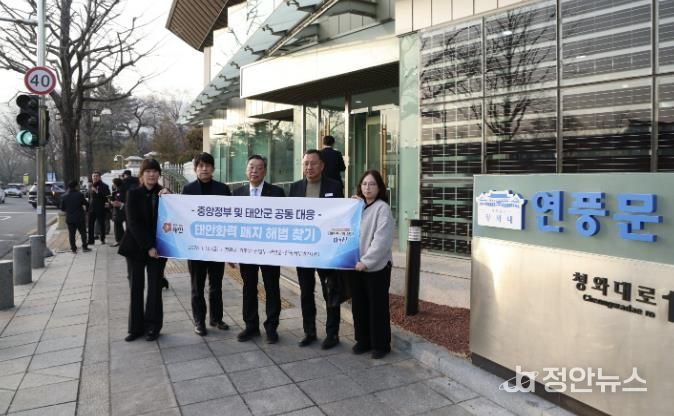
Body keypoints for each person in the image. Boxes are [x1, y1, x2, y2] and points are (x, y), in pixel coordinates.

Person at [289, 149, 344, 349]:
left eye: (313, 163)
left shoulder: (334, 186)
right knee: (306, 292)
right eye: (306, 163)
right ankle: (309, 332)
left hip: (326, 250)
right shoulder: (295, 188)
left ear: (322, 166)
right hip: (303, 250)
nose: (309, 167)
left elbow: (341, 215)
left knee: (330, 291)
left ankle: (332, 334)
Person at [233, 155, 285, 344]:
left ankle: (271, 327)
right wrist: (231, 252)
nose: (254, 171)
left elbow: (284, 221)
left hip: (270, 250)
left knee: (272, 288)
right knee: (248, 288)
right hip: (246, 250)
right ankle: (251, 326)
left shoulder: (277, 192)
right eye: (251, 167)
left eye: (259, 168)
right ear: (246, 170)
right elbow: (232, 224)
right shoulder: (237, 194)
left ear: (265, 171)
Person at [182, 152, 232, 336]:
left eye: (208, 166)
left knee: (216, 285)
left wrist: (230, 249)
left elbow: (230, 218)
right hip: (196, 248)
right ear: (195, 169)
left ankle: (216, 318)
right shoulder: (188, 190)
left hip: (217, 246)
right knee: (197, 287)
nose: (204, 169)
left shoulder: (223, 189)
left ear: (213, 168)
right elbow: (182, 216)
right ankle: (199, 321)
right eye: (201, 166)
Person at [118, 159, 168, 342]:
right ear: (141, 174)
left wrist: (170, 197)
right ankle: (135, 328)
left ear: (159, 174)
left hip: (159, 249)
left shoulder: (164, 194)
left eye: (155, 171)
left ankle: (153, 327)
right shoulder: (133, 193)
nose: (151, 174)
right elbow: (133, 223)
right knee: (136, 287)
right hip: (136, 247)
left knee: (155, 288)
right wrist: (148, 246)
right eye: (148, 171)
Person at [350, 170, 394, 359]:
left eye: (372, 184)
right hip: (355, 265)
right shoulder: (358, 207)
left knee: (377, 307)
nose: (367, 188)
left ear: (379, 187)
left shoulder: (382, 208)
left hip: (376, 267)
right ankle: (363, 340)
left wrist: (366, 262)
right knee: (359, 306)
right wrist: (351, 206)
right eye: (364, 184)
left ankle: (381, 345)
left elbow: (381, 241)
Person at [59, 180, 91, 254]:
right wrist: (85, 210)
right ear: (76, 186)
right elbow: (86, 204)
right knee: (83, 233)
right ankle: (84, 247)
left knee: (71, 234)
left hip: (70, 218)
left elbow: (62, 208)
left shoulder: (64, 196)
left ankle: (73, 249)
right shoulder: (80, 195)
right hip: (80, 217)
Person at [87, 171, 110, 246]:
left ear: (100, 177)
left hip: (100, 208)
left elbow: (107, 196)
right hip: (91, 208)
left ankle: (102, 239)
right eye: (93, 176)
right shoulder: (90, 186)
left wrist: (97, 191)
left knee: (101, 224)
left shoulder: (104, 186)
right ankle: (90, 240)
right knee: (90, 224)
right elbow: (89, 197)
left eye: (96, 176)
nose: (95, 177)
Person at [110, 177, 124, 247]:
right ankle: (121, 240)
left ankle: (119, 240)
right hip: (117, 211)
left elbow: (121, 201)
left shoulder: (120, 191)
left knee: (117, 227)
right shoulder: (116, 191)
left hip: (119, 211)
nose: (113, 185)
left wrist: (117, 203)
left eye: (113, 183)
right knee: (118, 226)